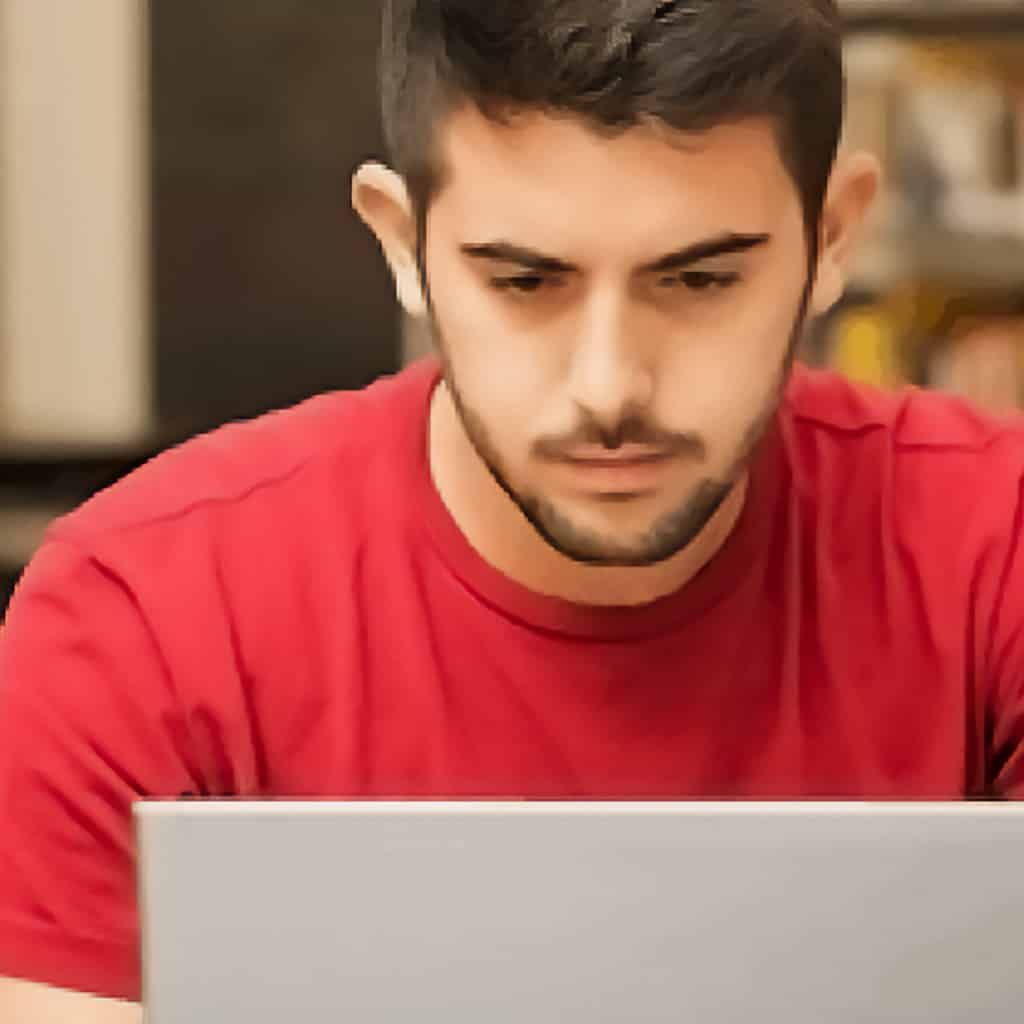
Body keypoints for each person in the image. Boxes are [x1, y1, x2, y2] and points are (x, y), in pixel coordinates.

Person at [3, 0, 1022, 1018]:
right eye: (526, 281)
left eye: (701, 279)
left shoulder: (995, 547)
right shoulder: (140, 616)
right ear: (403, 243)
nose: (608, 385)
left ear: (831, 235)